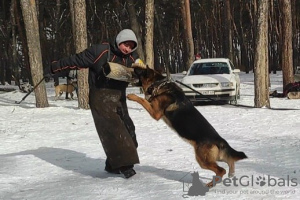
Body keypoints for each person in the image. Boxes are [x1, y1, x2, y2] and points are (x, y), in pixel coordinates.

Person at [44, 29, 144, 178]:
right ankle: (124, 165)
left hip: (118, 97)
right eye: (125, 44)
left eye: (131, 46)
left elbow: (144, 74)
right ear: (119, 40)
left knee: (129, 130)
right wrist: (54, 68)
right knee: (115, 131)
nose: (127, 48)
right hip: (100, 97)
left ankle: (112, 164)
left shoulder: (133, 58)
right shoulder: (100, 51)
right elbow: (75, 60)